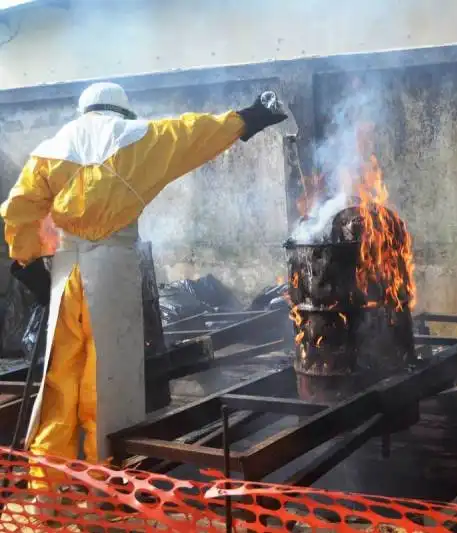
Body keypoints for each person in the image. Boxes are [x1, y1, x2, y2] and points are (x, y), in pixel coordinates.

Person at [0, 81, 288, 515]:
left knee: (60, 382)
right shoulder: (141, 139)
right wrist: (251, 117)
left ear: (84, 110)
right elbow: (196, 133)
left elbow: (19, 208)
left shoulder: (51, 148)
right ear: (123, 112)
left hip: (65, 276)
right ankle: (103, 493)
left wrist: (26, 263)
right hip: (110, 274)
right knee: (107, 382)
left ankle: (46, 493)